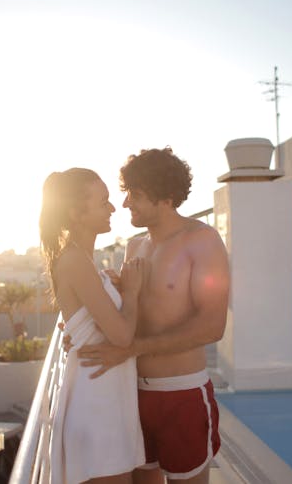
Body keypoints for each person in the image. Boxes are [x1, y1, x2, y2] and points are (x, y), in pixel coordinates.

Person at [76, 148, 230, 484]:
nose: (126, 203)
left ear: (165, 197)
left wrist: (131, 349)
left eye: (136, 194)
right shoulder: (134, 247)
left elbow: (212, 326)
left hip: (181, 395)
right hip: (132, 393)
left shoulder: (201, 240)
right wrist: (87, 320)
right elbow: (130, 313)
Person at [39, 167, 146, 484]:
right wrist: (132, 292)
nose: (113, 208)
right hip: (97, 411)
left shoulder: (85, 260)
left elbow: (86, 320)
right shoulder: (74, 260)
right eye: (103, 202)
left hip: (106, 405)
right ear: (76, 213)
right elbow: (122, 335)